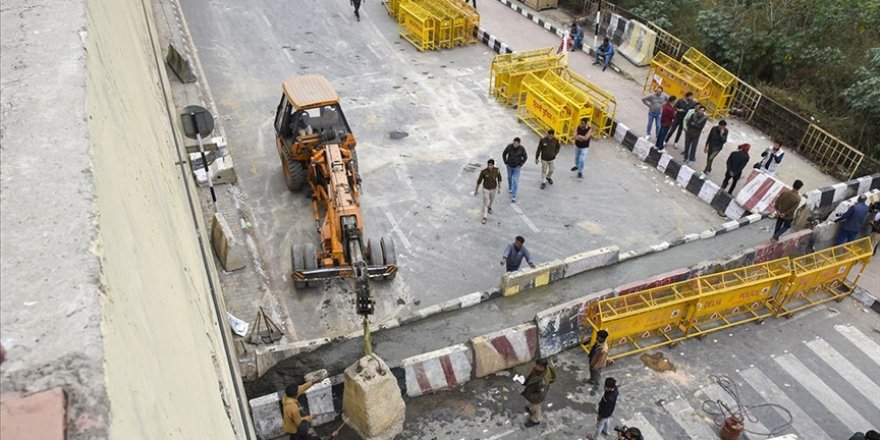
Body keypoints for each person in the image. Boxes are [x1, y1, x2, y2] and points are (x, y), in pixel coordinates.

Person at [521, 358, 556, 428]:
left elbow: (540, 396)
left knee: (536, 406)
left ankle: (536, 420)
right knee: (533, 405)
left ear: (542, 367)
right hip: (533, 390)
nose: (535, 366)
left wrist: (530, 396)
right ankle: (532, 410)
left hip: (537, 396)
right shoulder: (538, 370)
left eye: (537, 365)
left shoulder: (542, 382)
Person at [474, 159, 502, 224]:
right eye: (489, 165)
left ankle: (490, 207)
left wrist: (499, 187)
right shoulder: (484, 172)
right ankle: (485, 217)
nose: (490, 166)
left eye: (491, 165)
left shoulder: (497, 170)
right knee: (485, 202)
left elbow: (499, 179)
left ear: (493, 165)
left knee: (492, 200)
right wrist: (476, 190)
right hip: (486, 189)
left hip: (493, 189)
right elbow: (479, 181)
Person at [502, 137, 527, 203]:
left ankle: (514, 195)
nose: (514, 144)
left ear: (519, 143)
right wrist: (505, 161)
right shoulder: (509, 147)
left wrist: (521, 164)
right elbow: (504, 154)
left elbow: (525, 157)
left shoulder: (522, 149)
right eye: (514, 143)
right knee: (509, 177)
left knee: (515, 180)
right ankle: (510, 187)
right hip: (509, 165)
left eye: (516, 143)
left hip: (517, 167)